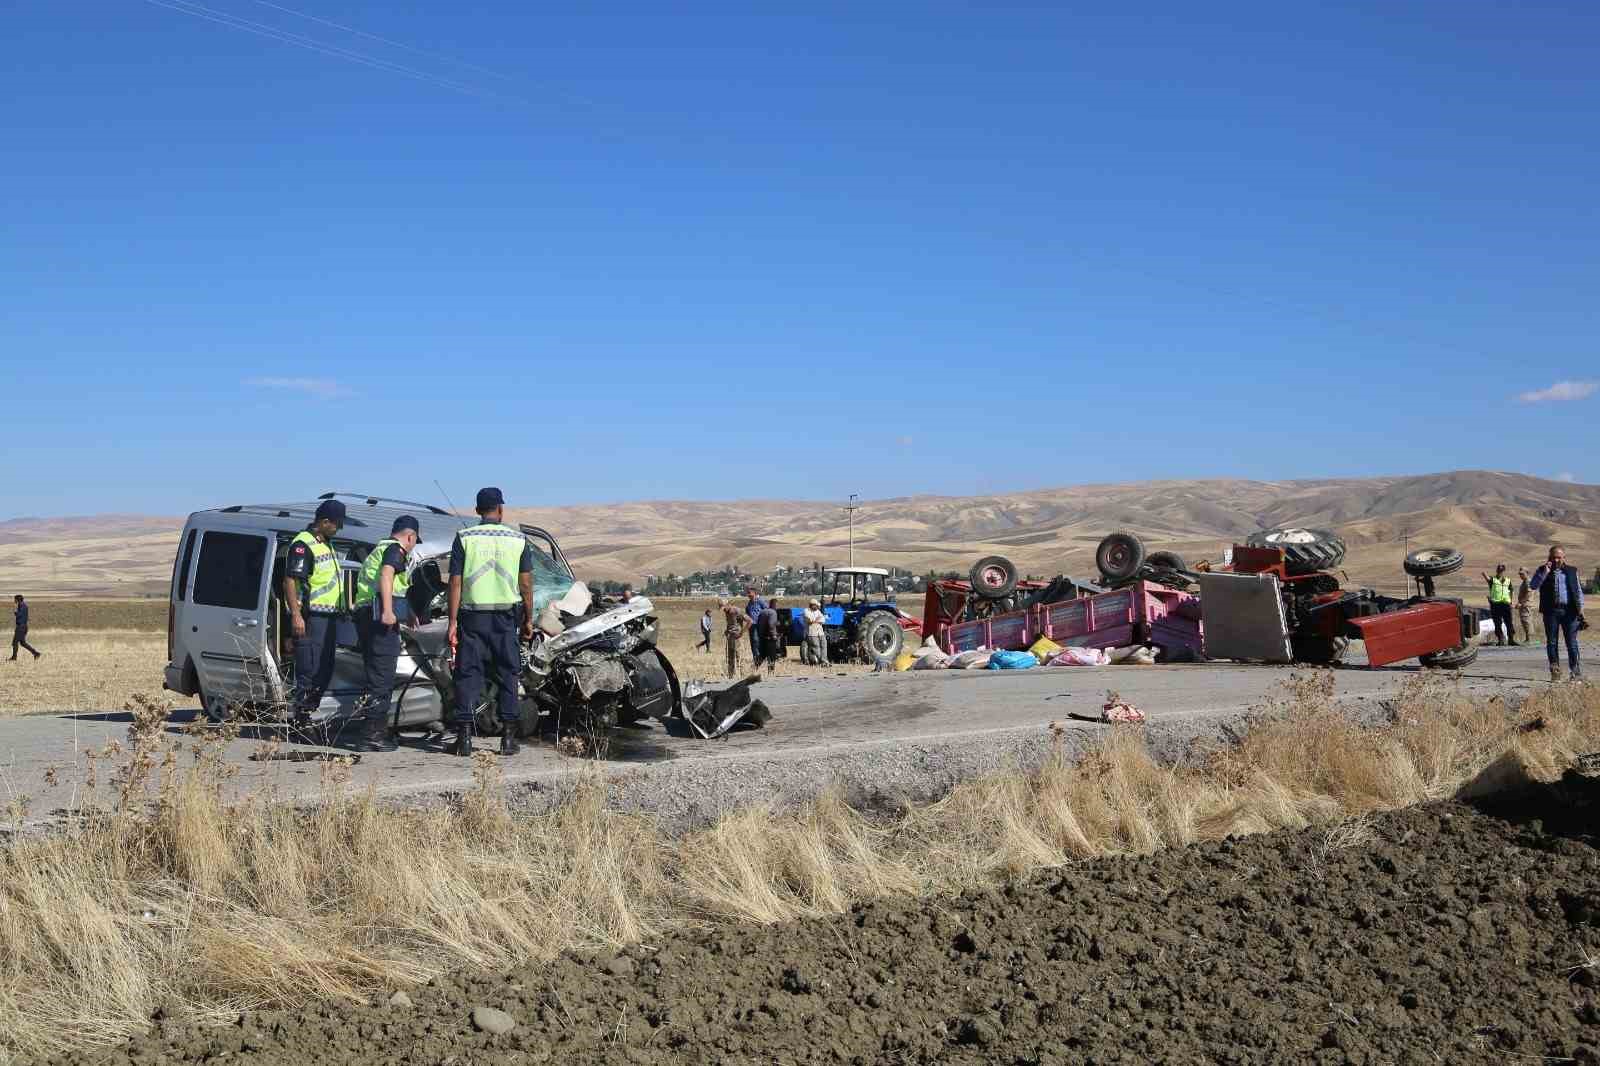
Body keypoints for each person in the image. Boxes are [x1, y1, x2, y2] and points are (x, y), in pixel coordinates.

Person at [447, 488, 535, 757]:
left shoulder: (464, 538)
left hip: (472, 617)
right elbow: (526, 583)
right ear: (500, 509)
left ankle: (464, 739)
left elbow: (455, 582)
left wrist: (452, 621)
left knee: (468, 674)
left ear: (477, 511)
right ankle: (508, 739)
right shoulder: (518, 540)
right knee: (509, 674)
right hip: (505, 618)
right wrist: (529, 619)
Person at [349, 515, 421, 753]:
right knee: (382, 677)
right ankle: (372, 734)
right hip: (379, 618)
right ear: (410, 536)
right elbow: (387, 575)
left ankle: (375, 730)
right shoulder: (395, 550)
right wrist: (389, 611)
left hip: (367, 616)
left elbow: (393, 584)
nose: (412, 546)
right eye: (414, 541)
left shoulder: (379, 549)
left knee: (376, 675)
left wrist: (408, 612)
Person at [283, 499, 346, 733]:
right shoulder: (303, 544)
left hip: (328, 617)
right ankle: (300, 720)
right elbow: (290, 580)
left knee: (324, 669)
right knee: (309, 669)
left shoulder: (325, 543)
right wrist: (296, 616)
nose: (339, 528)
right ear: (324, 521)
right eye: (337, 524)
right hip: (311, 617)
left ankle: (308, 713)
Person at [1529, 544, 1585, 682]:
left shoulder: (1572, 571)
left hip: (1570, 611)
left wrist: (1581, 610)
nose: (1556, 560)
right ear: (1549, 557)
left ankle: (1575, 672)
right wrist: (1545, 572)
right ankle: (1555, 672)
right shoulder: (1542, 570)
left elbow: (1578, 591)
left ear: (1564, 557)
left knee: (1572, 643)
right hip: (1551, 612)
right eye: (1553, 557)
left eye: (1559, 557)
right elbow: (1533, 585)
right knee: (1552, 642)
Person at [1481, 564, 1517, 646]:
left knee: (1509, 622)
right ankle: (1500, 639)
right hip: (1495, 604)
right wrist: (1483, 573)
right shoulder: (1493, 580)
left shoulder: (1508, 580)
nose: (1500, 571)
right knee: (1497, 623)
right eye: (1499, 570)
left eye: (1501, 570)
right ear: (1497, 570)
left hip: (1506, 604)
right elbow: (1486, 577)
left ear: (1503, 571)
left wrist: (1511, 602)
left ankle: (1511, 639)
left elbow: (1511, 591)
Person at [720, 597, 749, 678]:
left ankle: (743, 676)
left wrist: (741, 633)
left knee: (739, 657)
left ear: (728, 604)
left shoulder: (737, 611)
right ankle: (731, 676)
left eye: (724, 607)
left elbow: (749, 621)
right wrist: (727, 630)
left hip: (737, 638)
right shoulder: (726, 611)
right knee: (730, 657)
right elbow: (731, 623)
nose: (723, 610)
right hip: (730, 637)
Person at [10, 595, 40, 661]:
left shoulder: (22, 606)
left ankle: (14, 658)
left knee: (15, 642)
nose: (14, 601)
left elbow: (19, 615)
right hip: (23, 627)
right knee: (22, 643)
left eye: (15, 599)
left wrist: (15, 611)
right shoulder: (23, 606)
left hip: (21, 627)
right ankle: (36, 653)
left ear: (18, 600)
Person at [758, 597, 781, 673]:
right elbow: (771, 625)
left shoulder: (762, 612)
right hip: (770, 638)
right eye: (776, 605)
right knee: (772, 657)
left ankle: (753, 669)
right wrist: (774, 635)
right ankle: (771, 672)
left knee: (762, 655)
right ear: (774, 605)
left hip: (762, 637)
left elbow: (759, 624)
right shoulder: (773, 612)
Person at [803, 598, 828, 667]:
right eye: (816, 605)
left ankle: (824, 660)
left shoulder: (818, 611)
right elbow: (810, 620)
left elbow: (823, 620)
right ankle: (823, 661)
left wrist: (816, 620)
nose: (817, 607)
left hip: (820, 632)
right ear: (812, 605)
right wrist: (817, 619)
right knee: (816, 647)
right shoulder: (806, 611)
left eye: (817, 606)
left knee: (824, 645)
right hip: (812, 633)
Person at [744, 587, 767, 662]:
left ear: (754, 593)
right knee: (753, 642)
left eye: (749, 593)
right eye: (748, 593)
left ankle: (759, 657)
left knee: (756, 640)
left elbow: (767, 610)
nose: (748, 594)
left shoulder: (760, 601)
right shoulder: (749, 603)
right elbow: (747, 613)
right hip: (751, 625)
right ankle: (756, 658)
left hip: (759, 625)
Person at [1516, 566, 1534, 645]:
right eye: (1520, 574)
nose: (1520, 575)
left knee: (1527, 621)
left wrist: (1521, 603)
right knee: (1524, 621)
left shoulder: (1528, 582)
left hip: (1526, 605)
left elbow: (1528, 594)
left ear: (1527, 573)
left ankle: (1530, 639)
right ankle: (1527, 638)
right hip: (1524, 605)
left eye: (1522, 574)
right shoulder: (1525, 582)